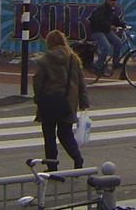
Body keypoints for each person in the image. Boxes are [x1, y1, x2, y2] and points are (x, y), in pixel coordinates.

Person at [33, 30, 89, 171]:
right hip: (68, 102)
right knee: (65, 134)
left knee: (49, 135)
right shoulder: (73, 59)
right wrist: (84, 102)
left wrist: (38, 98)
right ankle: (77, 158)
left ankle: (52, 165)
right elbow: (81, 82)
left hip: (48, 101)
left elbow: (38, 81)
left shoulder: (44, 60)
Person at [89, 0, 126, 74]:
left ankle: (115, 63)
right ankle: (97, 67)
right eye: (112, 0)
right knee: (106, 47)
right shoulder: (101, 9)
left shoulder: (111, 10)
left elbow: (116, 20)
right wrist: (110, 26)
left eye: (115, 0)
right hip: (97, 31)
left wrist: (125, 26)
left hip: (106, 30)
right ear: (106, 0)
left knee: (118, 43)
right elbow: (98, 21)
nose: (114, 2)